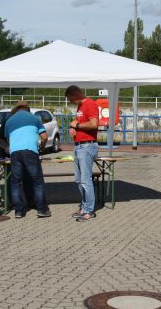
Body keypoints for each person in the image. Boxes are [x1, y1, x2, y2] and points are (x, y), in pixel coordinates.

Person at [4, 101, 51, 219]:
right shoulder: (34, 118)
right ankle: (42, 209)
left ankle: (19, 211)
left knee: (16, 182)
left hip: (15, 153)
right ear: (27, 109)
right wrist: (42, 146)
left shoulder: (9, 121)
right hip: (30, 151)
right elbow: (44, 137)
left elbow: (9, 141)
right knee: (37, 181)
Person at [65, 85, 99, 222]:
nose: (70, 102)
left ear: (75, 95)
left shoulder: (90, 104)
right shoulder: (80, 106)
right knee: (79, 180)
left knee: (85, 180)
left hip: (87, 146)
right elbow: (78, 122)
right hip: (79, 146)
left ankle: (89, 211)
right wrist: (73, 128)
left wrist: (77, 126)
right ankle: (84, 207)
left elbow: (94, 124)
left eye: (70, 99)